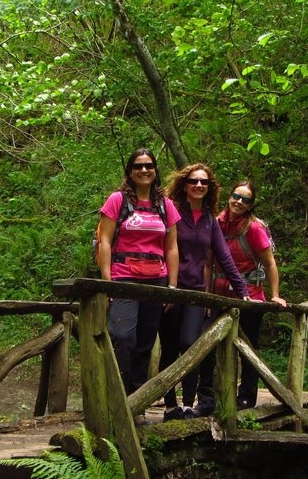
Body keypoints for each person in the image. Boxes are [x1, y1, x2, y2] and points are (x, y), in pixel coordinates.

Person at [158, 164, 250, 421]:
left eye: (204, 182)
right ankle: (169, 405)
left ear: (209, 188)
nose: (199, 186)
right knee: (169, 347)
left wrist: (242, 291)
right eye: (193, 181)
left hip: (196, 292)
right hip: (171, 288)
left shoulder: (210, 220)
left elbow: (224, 256)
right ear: (184, 184)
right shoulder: (172, 211)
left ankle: (188, 404)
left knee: (191, 344)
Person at [196, 180, 287, 413]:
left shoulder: (253, 229)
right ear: (229, 196)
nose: (239, 202)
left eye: (245, 199)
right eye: (236, 196)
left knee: (247, 347)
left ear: (250, 205)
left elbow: (269, 263)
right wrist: (205, 296)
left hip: (250, 295)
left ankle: (246, 397)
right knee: (207, 344)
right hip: (217, 294)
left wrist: (275, 295)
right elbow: (207, 264)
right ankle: (207, 398)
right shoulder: (216, 224)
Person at [97, 148, 180, 396]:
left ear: (155, 170)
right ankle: (117, 397)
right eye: (138, 166)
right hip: (123, 276)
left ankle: (137, 402)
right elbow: (105, 241)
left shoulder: (165, 205)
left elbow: (172, 246)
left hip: (156, 279)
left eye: (149, 166)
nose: (144, 170)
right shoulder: (117, 200)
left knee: (145, 343)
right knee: (122, 337)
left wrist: (172, 286)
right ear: (130, 172)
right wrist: (107, 282)